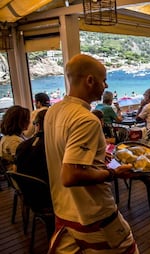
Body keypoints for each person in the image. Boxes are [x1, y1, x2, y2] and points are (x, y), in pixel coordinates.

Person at [44, 54, 138, 253]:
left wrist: (95, 159)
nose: (105, 85)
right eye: (103, 80)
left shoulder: (53, 111)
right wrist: (114, 173)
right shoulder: (86, 119)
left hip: (63, 212)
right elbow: (70, 175)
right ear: (89, 80)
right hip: (94, 215)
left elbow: (64, 153)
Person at [15, 109, 49, 182]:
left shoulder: (21, 146)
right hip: (50, 187)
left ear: (37, 125)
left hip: (28, 188)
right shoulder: (54, 145)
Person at [0, 105, 30, 171]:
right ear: (18, 122)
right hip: (21, 176)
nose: (29, 122)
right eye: (27, 120)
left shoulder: (8, 137)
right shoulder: (14, 141)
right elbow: (23, 163)